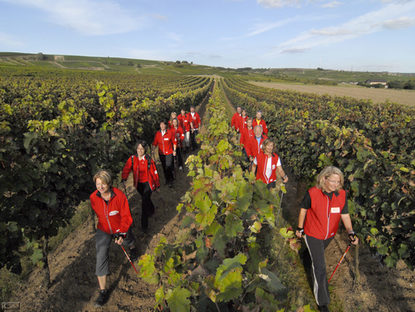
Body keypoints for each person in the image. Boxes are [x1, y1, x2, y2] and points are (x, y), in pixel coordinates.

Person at [295, 166, 359, 312]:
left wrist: (351, 232)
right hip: (313, 234)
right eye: (333, 181)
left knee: (314, 257)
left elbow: (345, 215)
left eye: (338, 182)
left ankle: (306, 257)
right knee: (320, 268)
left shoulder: (341, 195)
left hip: (329, 235)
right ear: (324, 179)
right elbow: (303, 209)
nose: (336, 185)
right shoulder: (313, 193)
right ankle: (323, 302)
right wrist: (300, 228)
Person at [90, 170, 134, 307]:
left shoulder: (119, 196)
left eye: (103, 184)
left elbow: (126, 216)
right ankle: (103, 291)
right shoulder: (93, 197)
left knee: (128, 241)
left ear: (108, 183)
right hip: (103, 230)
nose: (101, 187)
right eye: (98, 184)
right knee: (101, 254)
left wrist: (121, 232)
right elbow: (100, 215)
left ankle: (132, 246)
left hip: (119, 227)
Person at [121, 140, 160, 231]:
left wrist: (157, 185)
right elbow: (126, 169)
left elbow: (155, 173)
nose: (140, 150)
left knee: (144, 203)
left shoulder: (149, 160)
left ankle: (144, 225)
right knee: (145, 199)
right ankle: (152, 209)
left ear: (145, 150)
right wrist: (124, 178)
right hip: (138, 184)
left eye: (142, 149)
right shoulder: (132, 159)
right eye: (138, 148)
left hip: (148, 184)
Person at [152, 121, 177, 187]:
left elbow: (174, 142)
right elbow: (155, 143)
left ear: (166, 125)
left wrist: (174, 150)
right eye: (161, 124)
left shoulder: (169, 132)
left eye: (163, 124)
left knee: (168, 165)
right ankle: (167, 179)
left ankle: (171, 180)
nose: (162, 126)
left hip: (169, 152)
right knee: (164, 167)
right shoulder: (158, 134)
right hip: (161, 153)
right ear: (160, 126)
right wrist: (153, 150)